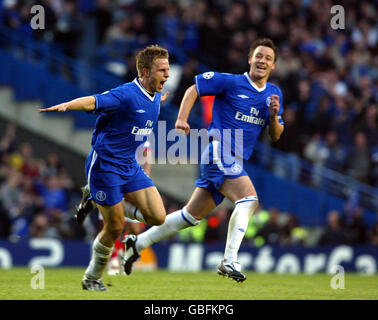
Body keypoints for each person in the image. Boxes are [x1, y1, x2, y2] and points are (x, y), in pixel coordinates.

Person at [122, 38, 284, 282]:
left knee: (189, 216)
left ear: (273, 66)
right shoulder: (230, 81)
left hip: (235, 160)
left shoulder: (274, 94)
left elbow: (276, 135)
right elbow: (193, 88)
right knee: (249, 199)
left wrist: (273, 117)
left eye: (268, 58)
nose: (262, 61)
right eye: (259, 56)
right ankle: (229, 260)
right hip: (219, 150)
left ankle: (138, 242)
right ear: (250, 59)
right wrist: (181, 119)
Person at [39, 45, 170, 291]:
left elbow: (147, 111)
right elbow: (94, 101)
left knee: (158, 217)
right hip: (105, 165)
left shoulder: (155, 95)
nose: (167, 75)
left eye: (168, 69)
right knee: (115, 226)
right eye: (162, 70)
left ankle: (95, 197)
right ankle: (91, 278)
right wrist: (68, 104)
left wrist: (160, 97)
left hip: (129, 165)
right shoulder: (126, 94)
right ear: (144, 72)